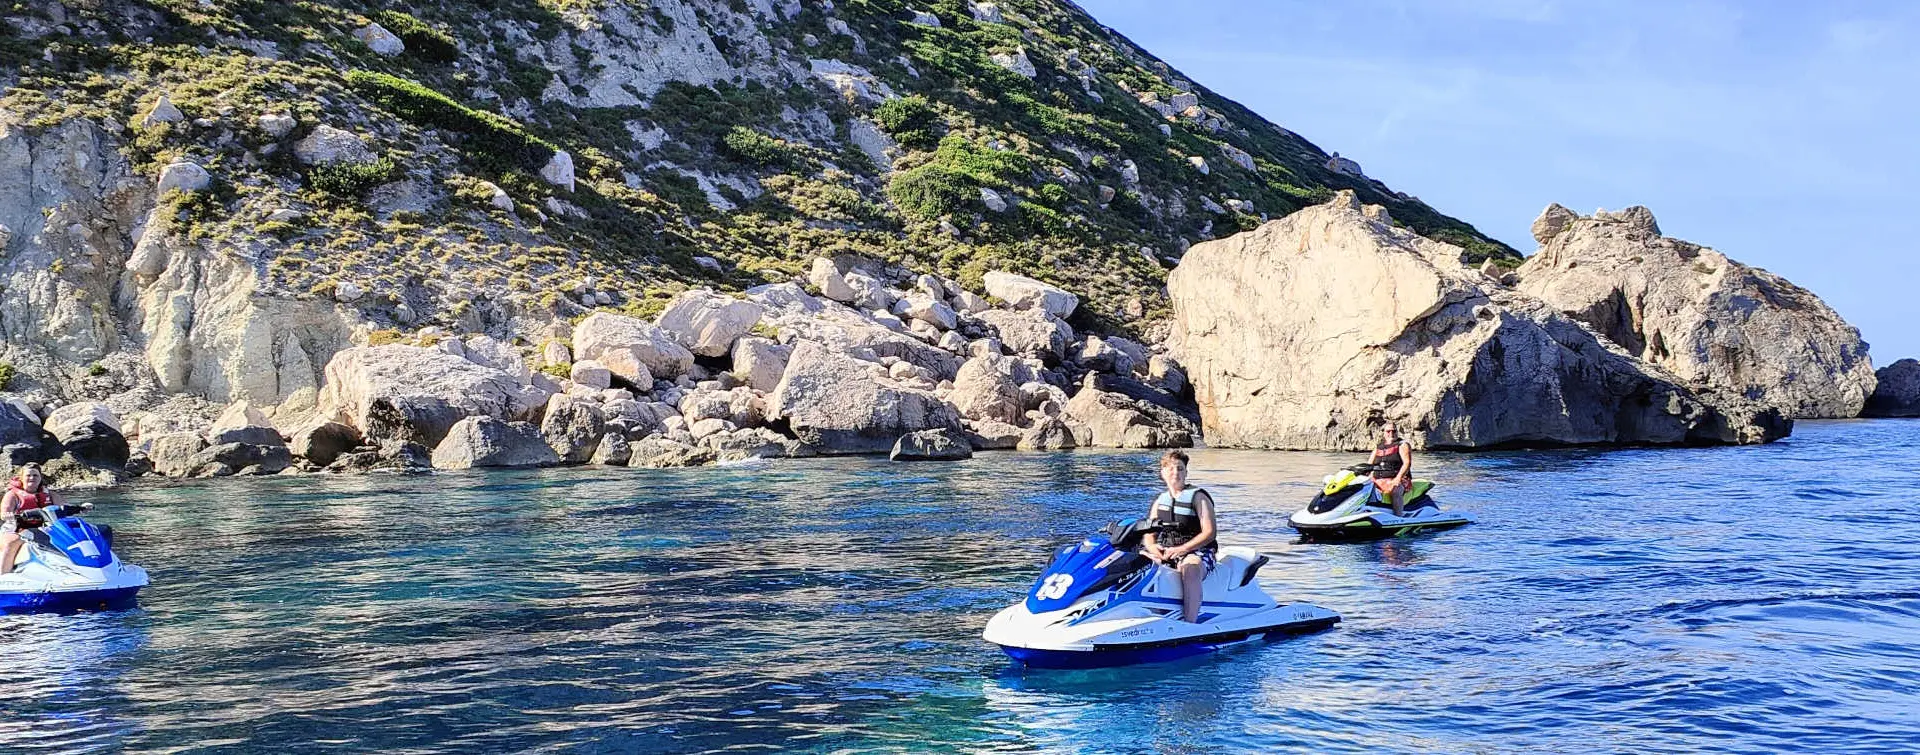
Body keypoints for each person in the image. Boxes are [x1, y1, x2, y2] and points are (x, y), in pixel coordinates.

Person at [1140, 450, 1217, 624]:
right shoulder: (1160, 501)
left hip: (1197, 551)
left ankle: (1190, 623)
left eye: (1180, 469)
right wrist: (1153, 549)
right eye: (1171, 469)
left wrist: (1182, 549)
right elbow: (1149, 535)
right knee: (1135, 561)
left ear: (1186, 473)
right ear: (1163, 473)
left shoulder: (1199, 497)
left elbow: (1209, 532)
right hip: (1167, 550)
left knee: (1190, 569)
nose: (1176, 473)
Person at [1, 463, 62, 575]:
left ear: (40, 478)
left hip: (43, 529)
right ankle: (3, 576)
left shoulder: (51, 495)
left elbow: (63, 509)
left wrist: (81, 508)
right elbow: (4, 513)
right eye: (28, 475)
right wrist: (8, 515)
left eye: (35, 475)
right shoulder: (12, 495)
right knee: (11, 543)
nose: (32, 478)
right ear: (21, 478)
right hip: (16, 528)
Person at [1369, 423, 1413, 516]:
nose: (1391, 433)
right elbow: (1369, 465)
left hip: (1398, 479)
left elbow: (1407, 463)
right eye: (1388, 431)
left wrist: (1398, 479)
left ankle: (1398, 516)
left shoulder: (1402, 445)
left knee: (1396, 490)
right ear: (1384, 433)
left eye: (1394, 431)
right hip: (1378, 479)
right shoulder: (1378, 448)